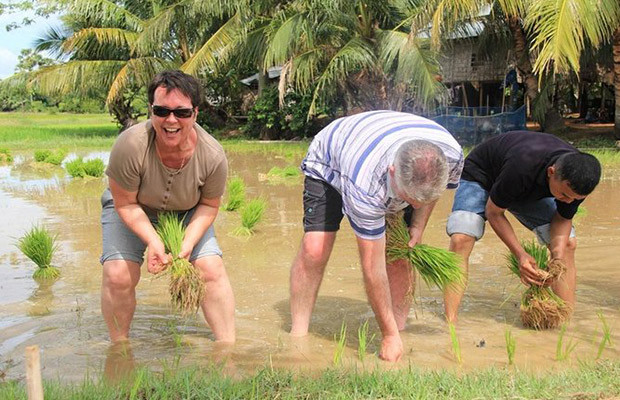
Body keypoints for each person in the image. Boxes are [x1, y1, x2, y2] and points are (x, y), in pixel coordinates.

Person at [289, 110, 464, 362]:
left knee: (399, 253)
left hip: (386, 144)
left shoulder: (452, 155)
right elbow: (372, 267)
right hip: (332, 159)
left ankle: (400, 329)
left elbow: (428, 194)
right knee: (315, 248)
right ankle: (298, 335)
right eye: (409, 199)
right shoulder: (365, 183)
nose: (414, 206)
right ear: (392, 171)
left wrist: (418, 226)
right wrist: (387, 335)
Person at [100, 70, 235, 343]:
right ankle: (119, 350)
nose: (171, 120)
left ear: (195, 113)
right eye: (162, 111)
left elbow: (209, 205)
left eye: (182, 112)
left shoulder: (212, 154)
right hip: (134, 207)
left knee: (211, 269)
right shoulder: (130, 145)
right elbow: (124, 203)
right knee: (118, 275)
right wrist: (153, 241)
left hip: (188, 211)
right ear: (151, 111)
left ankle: (227, 347)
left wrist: (186, 244)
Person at [443, 131, 602, 323]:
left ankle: (564, 320)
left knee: (568, 244)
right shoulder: (523, 165)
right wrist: (521, 255)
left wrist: (557, 259)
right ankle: (450, 322)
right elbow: (494, 212)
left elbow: (562, 219)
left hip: (523, 189)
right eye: (564, 196)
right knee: (462, 238)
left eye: (575, 199)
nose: (568, 201)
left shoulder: (576, 180)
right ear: (551, 172)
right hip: (482, 177)